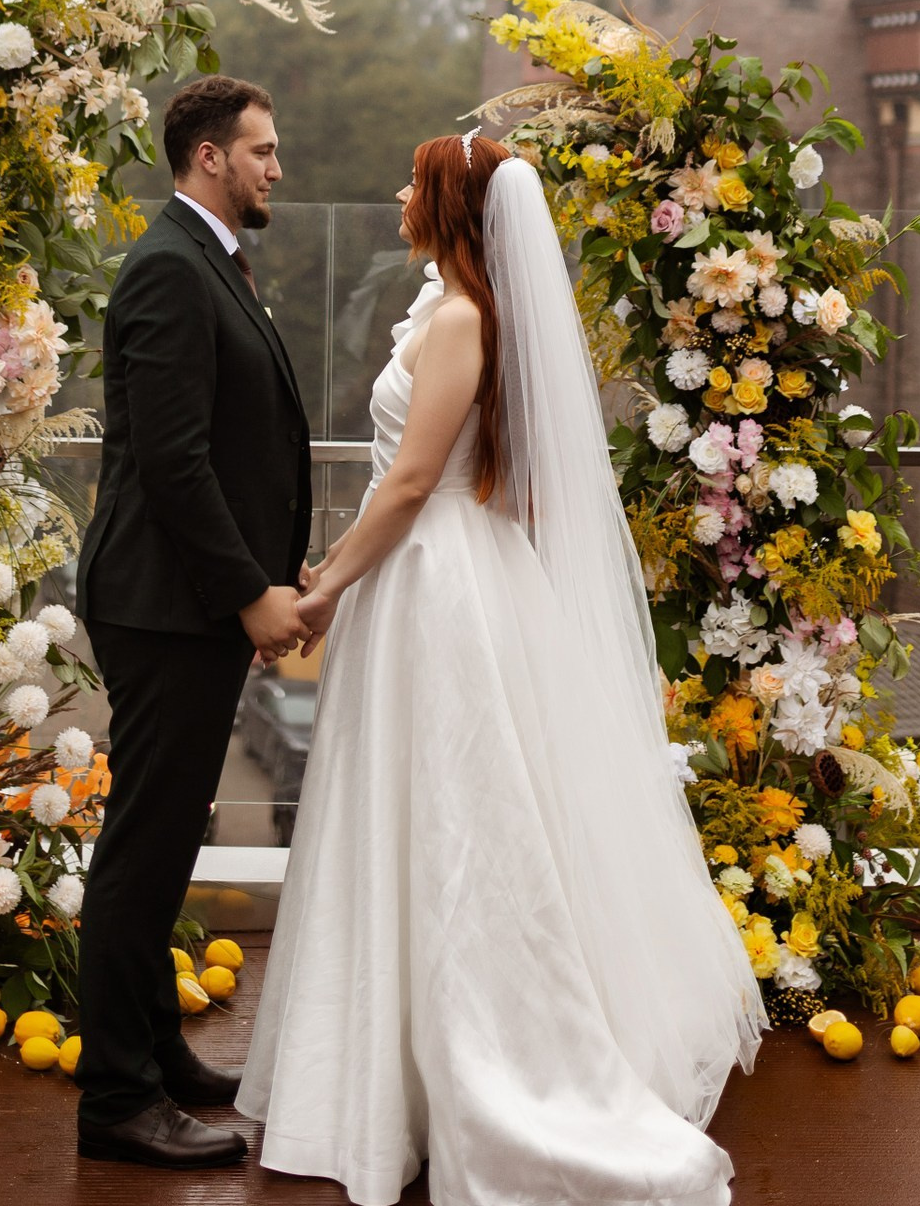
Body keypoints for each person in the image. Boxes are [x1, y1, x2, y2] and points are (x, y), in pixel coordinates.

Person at [238, 133, 764, 1206]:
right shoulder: (462, 309)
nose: (394, 190)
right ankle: (395, 1063)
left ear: (447, 203)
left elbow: (413, 478)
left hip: (432, 586)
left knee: (452, 816)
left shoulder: (464, 319)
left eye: (410, 180)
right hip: (435, 573)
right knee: (427, 810)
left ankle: (463, 1068)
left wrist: (327, 583)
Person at [76, 75, 313, 1171]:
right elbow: (171, 465)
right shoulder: (172, 267)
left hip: (190, 604)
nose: (276, 167)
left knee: (166, 842)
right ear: (210, 156)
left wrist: (272, 565)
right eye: (261, 151)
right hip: (164, 608)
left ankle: (160, 1051)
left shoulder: (207, 257)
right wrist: (250, 593)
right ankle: (117, 1100)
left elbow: (227, 444)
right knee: (143, 848)